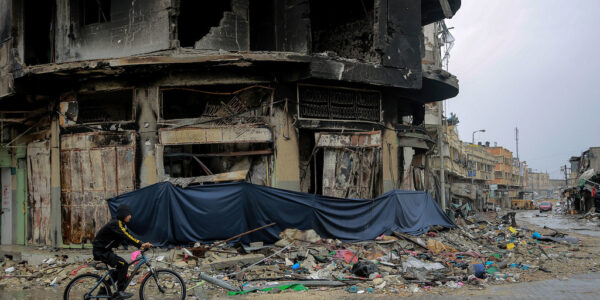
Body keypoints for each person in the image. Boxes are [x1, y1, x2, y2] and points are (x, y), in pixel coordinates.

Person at [92, 204, 152, 299]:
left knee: (119, 269)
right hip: (101, 251)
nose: (130, 216)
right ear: (124, 214)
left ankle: (104, 289)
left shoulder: (120, 224)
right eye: (129, 214)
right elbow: (126, 237)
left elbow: (129, 236)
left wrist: (142, 244)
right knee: (123, 264)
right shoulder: (116, 224)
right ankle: (120, 292)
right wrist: (140, 244)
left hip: (105, 250)